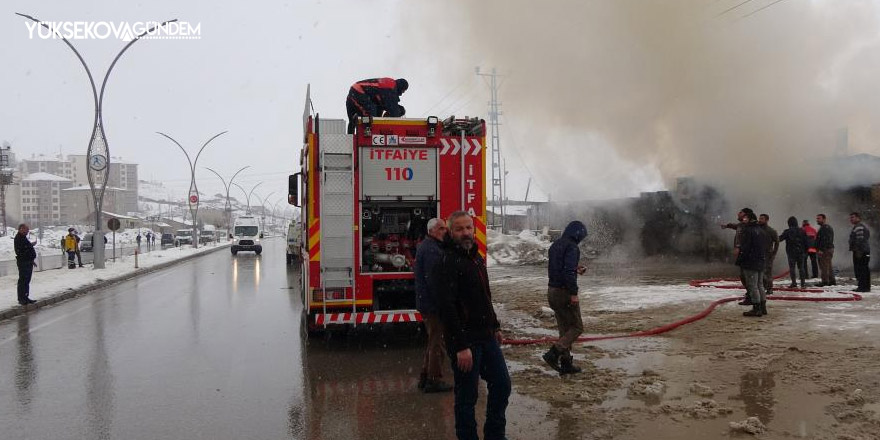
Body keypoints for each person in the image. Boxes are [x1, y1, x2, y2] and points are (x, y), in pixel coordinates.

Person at [432, 211, 510, 440]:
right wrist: (461, 346)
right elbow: (447, 309)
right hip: (466, 342)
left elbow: (485, 296)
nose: (466, 233)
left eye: (468, 228)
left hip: (486, 336)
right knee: (467, 396)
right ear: (451, 232)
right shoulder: (446, 262)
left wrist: (495, 326)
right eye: (460, 229)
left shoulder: (475, 257)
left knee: (502, 385)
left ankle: (495, 435)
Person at [543, 220, 588, 375]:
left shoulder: (556, 245)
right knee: (577, 327)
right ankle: (553, 353)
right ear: (578, 234)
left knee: (564, 328)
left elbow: (559, 267)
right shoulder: (572, 247)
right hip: (564, 292)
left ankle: (566, 363)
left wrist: (575, 269)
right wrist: (574, 293)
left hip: (552, 291)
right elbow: (567, 272)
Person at [414, 218, 453, 393]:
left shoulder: (429, 246)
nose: (446, 231)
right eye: (441, 229)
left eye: (445, 228)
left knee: (433, 341)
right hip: (433, 305)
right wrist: (444, 303)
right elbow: (435, 280)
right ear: (431, 231)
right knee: (438, 342)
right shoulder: (431, 249)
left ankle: (425, 376)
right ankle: (434, 379)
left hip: (428, 303)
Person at [738, 211, 770, 317]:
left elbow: (745, 247)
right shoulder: (761, 230)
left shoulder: (748, 231)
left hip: (751, 261)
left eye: (745, 218)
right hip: (760, 260)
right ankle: (763, 307)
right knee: (760, 285)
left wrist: (741, 259)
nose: (743, 220)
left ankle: (756, 308)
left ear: (750, 219)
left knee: (753, 285)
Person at [722, 207, 754, 305]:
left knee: (747, 276)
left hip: (746, 254)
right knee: (744, 275)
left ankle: (751, 296)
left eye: (740, 212)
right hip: (742, 254)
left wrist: (739, 247)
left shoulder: (748, 226)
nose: (738, 214)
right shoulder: (742, 225)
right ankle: (750, 294)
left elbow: (747, 240)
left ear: (745, 215)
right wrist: (727, 225)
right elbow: (736, 226)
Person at [778, 216, 808, 288]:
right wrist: (805, 251)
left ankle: (794, 283)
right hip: (801, 252)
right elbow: (806, 242)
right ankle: (803, 284)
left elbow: (779, 239)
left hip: (791, 252)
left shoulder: (787, 231)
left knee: (792, 268)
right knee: (801, 268)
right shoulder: (802, 231)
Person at [14, 224, 38, 305]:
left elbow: (27, 248)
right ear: (21, 229)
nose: (27, 232)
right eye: (26, 230)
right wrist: (29, 247)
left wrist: (32, 260)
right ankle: (21, 299)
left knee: (27, 281)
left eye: (28, 230)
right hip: (23, 263)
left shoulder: (23, 238)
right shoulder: (18, 238)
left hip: (28, 262)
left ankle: (26, 297)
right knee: (23, 281)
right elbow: (20, 251)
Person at [849, 212, 871, 292]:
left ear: (858, 218)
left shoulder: (859, 227)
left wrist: (858, 251)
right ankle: (865, 287)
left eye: (853, 217)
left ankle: (862, 287)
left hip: (861, 251)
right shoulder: (860, 226)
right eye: (850, 218)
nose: (851, 219)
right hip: (864, 250)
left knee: (861, 269)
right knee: (864, 269)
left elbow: (860, 240)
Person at [758, 214, 780, 295]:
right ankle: (762, 288)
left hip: (768, 254)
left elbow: (777, 242)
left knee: (768, 273)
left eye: (762, 219)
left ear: (767, 220)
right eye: (759, 218)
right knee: (759, 272)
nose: (760, 220)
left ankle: (769, 288)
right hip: (758, 254)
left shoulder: (771, 231)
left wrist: (774, 253)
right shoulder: (756, 229)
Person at [816, 214, 836, 286]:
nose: (817, 220)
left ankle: (825, 281)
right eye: (817, 219)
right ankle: (832, 280)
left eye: (819, 218)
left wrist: (821, 249)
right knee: (828, 265)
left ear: (824, 219)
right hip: (828, 249)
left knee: (824, 266)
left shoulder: (825, 228)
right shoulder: (825, 228)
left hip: (825, 250)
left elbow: (825, 240)